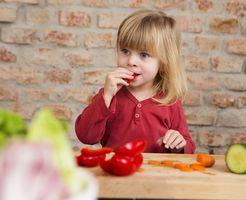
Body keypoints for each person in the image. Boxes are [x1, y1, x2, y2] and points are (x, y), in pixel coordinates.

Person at [75, 9, 195, 153]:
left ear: (163, 62)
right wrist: (106, 97)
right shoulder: (109, 96)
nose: (131, 61)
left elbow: (188, 146)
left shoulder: (170, 101)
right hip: (115, 172)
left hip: (157, 173)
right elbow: (86, 136)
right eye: (125, 51)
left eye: (144, 55)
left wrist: (179, 144)